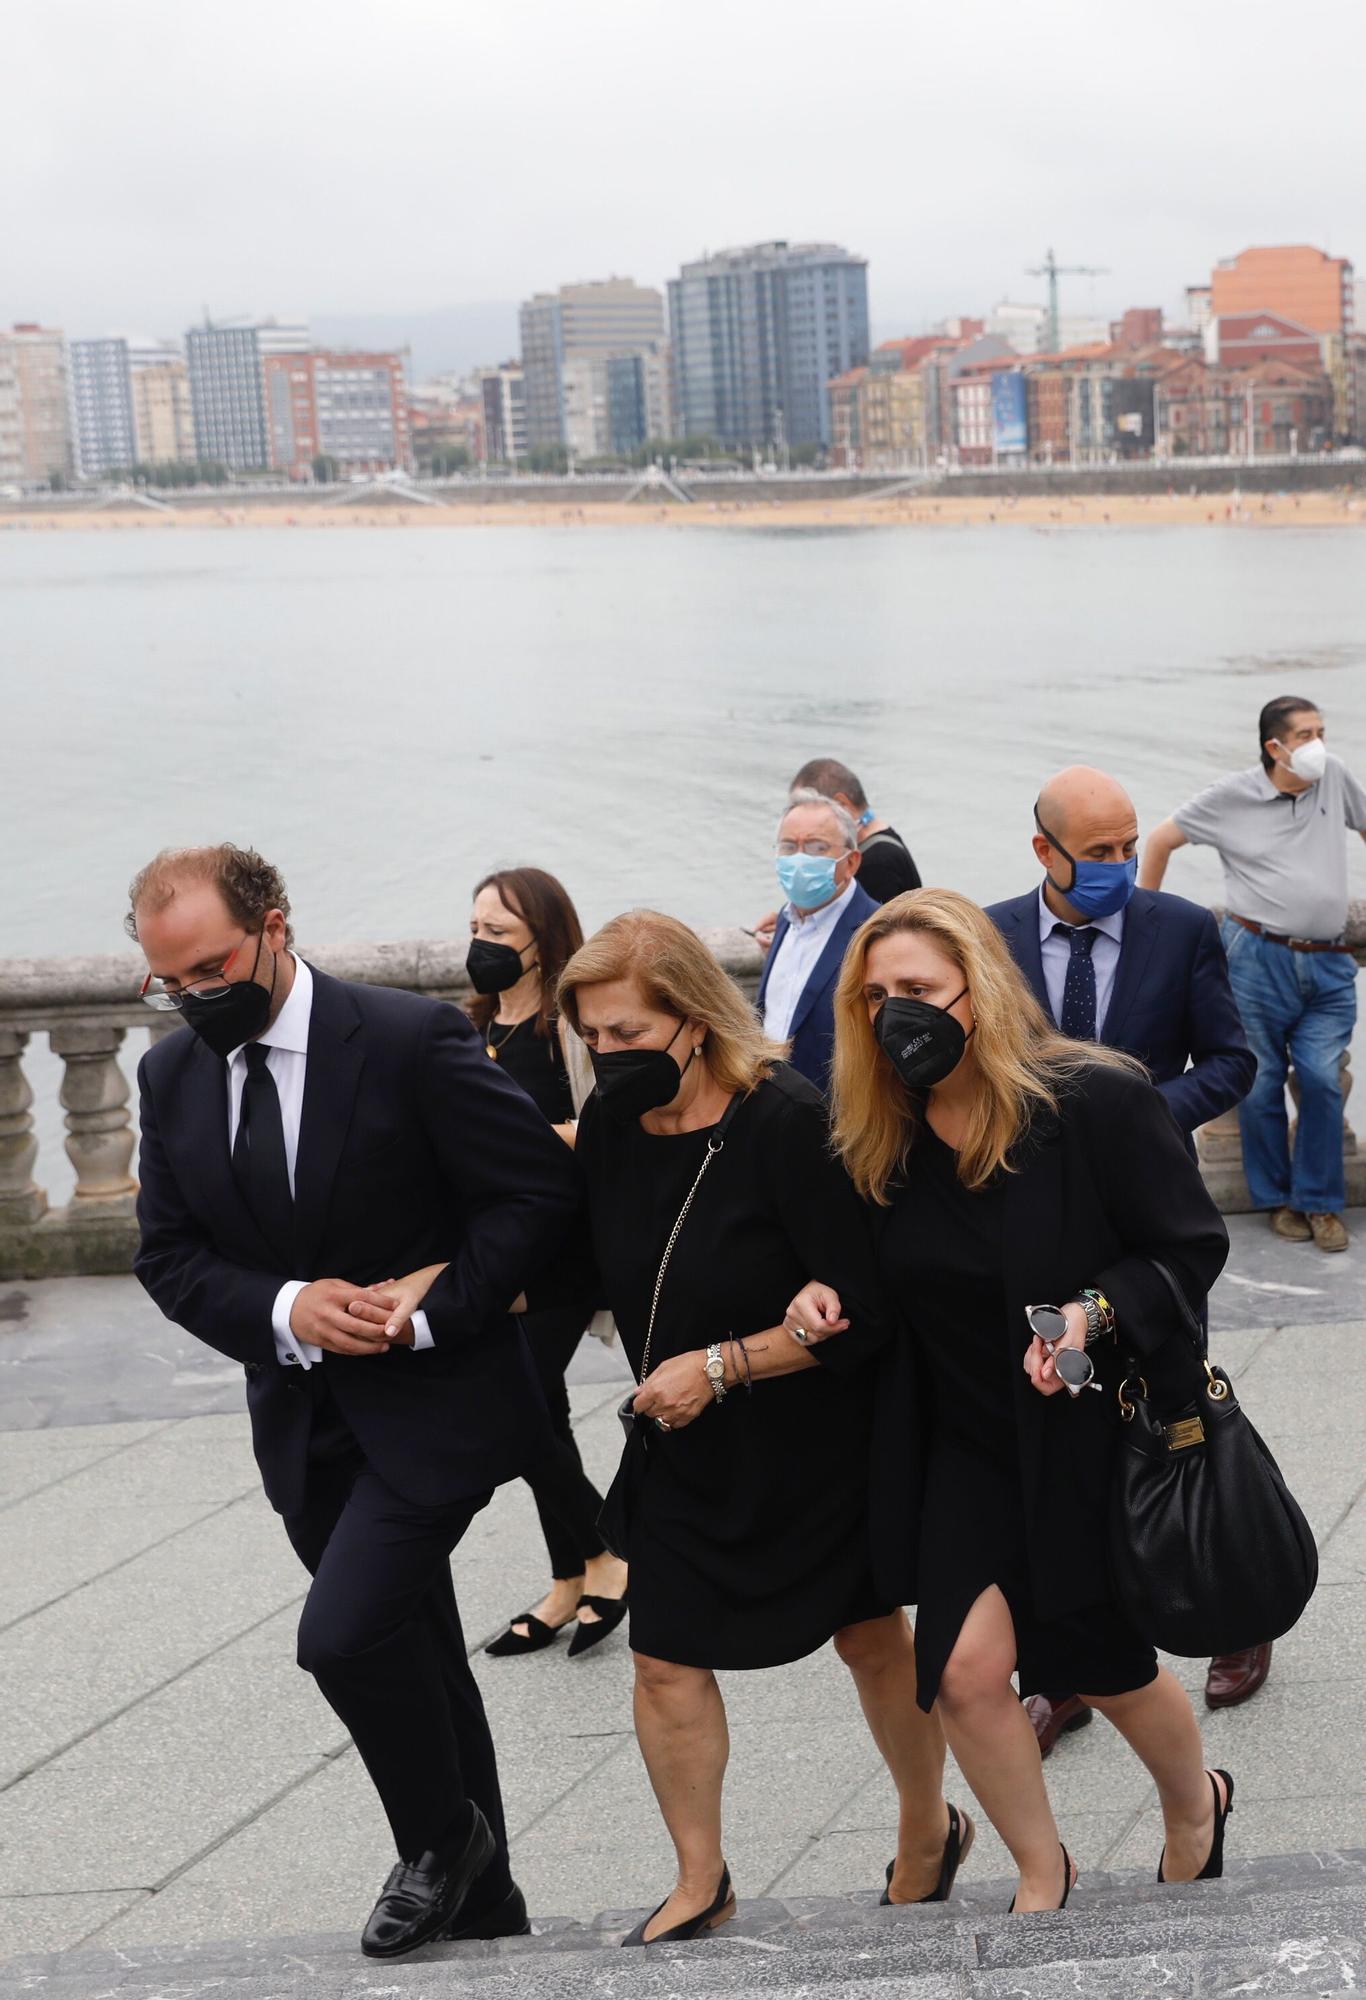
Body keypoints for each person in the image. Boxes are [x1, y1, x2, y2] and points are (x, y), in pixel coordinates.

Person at [363, 912, 961, 1944]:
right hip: (681, 1442)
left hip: (813, 1435)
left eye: (627, 1035)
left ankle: (924, 1825)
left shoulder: (786, 1122)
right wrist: (439, 1285)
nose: (606, 1056)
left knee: (867, 1635)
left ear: (692, 1019)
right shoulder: (609, 1126)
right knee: (664, 1658)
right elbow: (572, 1269)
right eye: (591, 1037)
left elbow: (860, 1307)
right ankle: (701, 1875)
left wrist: (723, 1364)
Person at [129, 844, 579, 1960]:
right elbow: (169, 1257)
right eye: (168, 980)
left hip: (439, 1406)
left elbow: (535, 1193)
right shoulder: (170, 1077)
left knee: (340, 1637)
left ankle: (433, 1844)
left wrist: (422, 1309)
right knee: (417, 1653)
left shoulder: (408, 1037)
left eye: (211, 965)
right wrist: (286, 1307)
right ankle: (490, 1902)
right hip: (304, 1428)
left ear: (275, 926)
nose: (193, 996)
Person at [787, 888, 1234, 1914]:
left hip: (1084, 1434)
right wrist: (820, 1295)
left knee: (1107, 1664)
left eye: (918, 989)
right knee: (959, 1674)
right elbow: (876, 1284)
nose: (893, 1011)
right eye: (874, 995)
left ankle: (1192, 1801)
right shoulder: (875, 1133)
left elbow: (1187, 1246)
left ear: (978, 991)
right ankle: (1044, 1866)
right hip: (960, 1444)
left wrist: (1090, 1313)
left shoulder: (1096, 1100)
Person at [986, 766, 1264, 1728]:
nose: (1116, 865)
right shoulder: (991, 937)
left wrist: (1136, 1115)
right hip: (1032, 1222)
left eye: (1125, 845)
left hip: (1152, 1219)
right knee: (1060, 1427)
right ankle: (1066, 1669)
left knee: (1181, 1404)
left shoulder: (1179, 929)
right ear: (1044, 852)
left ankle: (1233, 1605)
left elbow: (1232, 1059)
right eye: (1097, 852)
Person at [464, 865, 629, 1658]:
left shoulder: (567, 1029)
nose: (482, 945)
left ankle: (607, 1554)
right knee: (539, 1408)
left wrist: (529, 1144)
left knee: (519, 1403)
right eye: (476, 930)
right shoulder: (471, 1028)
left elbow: (612, 1130)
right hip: (497, 1251)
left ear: (542, 941)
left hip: (568, 1251)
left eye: (499, 933)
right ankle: (571, 1577)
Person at [1142, 696, 1366, 1256]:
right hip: (1255, 958)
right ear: (1275, 746)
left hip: (1330, 959)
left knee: (1318, 1075)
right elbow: (1161, 839)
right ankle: (1278, 1199)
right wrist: (1142, 919)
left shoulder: (1333, 776)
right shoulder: (1230, 797)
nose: (1319, 743)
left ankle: (1319, 1202)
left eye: (1321, 730)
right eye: (1306, 734)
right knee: (1260, 1081)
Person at [756, 791, 879, 1090]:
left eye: (816, 847)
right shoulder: (786, 919)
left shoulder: (876, 932)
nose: (798, 859)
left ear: (850, 862)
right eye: (788, 846)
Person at [752, 759, 921, 950]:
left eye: (813, 806)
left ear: (842, 804)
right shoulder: (884, 840)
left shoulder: (878, 862)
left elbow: (860, 938)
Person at [792, 757, 922, 903]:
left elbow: (868, 924)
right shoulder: (880, 838)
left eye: (809, 809)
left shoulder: (877, 862)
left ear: (842, 804)